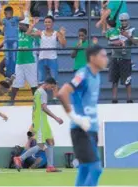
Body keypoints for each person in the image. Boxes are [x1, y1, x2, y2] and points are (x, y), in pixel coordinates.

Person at [58, 45, 108, 186]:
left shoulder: (97, 76)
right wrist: (75, 118)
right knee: (96, 169)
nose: (106, 59)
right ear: (92, 58)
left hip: (91, 129)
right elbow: (63, 93)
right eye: (103, 56)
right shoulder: (83, 73)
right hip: (81, 130)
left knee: (85, 169)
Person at [13, 78, 64, 172]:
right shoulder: (43, 93)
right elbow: (44, 108)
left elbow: (35, 108)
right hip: (40, 121)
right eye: (51, 87)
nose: (51, 89)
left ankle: (50, 166)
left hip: (41, 120)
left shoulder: (37, 92)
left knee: (51, 142)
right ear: (47, 84)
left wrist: (34, 121)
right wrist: (56, 118)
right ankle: (20, 158)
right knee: (41, 145)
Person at [28, 16, 66, 97]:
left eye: (49, 22)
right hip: (42, 59)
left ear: (52, 23)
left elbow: (63, 45)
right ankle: (39, 98)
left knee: (54, 81)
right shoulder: (40, 32)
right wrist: (33, 24)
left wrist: (63, 34)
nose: (47, 23)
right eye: (46, 22)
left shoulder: (57, 33)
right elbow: (28, 34)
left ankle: (55, 99)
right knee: (40, 81)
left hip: (52, 59)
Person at [108, 13, 138, 103]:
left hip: (126, 58)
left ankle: (129, 99)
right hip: (114, 57)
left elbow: (136, 42)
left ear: (128, 20)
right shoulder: (116, 30)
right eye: (121, 20)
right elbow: (109, 41)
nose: (123, 22)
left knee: (127, 80)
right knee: (114, 80)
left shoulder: (133, 30)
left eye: (125, 20)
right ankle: (114, 99)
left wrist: (127, 35)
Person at [10, 17, 38, 104]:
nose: (19, 26)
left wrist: (32, 26)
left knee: (33, 84)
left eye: (21, 25)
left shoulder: (33, 31)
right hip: (19, 62)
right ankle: (11, 102)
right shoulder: (17, 33)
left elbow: (29, 34)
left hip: (30, 62)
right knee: (15, 83)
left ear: (26, 25)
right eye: (19, 25)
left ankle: (37, 101)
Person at [0, 5, 25, 78]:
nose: (9, 14)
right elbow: (0, 23)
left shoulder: (15, 18)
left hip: (15, 40)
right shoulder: (4, 20)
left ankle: (14, 72)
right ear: (5, 13)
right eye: (7, 13)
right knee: (7, 57)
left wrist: (21, 10)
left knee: (14, 56)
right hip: (7, 41)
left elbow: (22, 18)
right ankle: (8, 74)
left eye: (10, 13)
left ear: (12, 13)